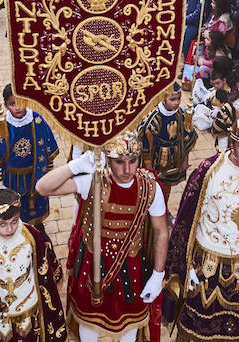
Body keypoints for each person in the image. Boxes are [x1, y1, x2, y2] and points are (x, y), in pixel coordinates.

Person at [36, 130, 168, 342]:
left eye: (133, 161)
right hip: (92, 265)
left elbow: (161, 231)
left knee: (129, 329)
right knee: (89, 327)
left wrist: (158, 275)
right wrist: (75, 166)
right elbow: (42, 188)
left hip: (131, 265)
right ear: (107, 159)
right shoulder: (94, 180)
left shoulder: (150, 187)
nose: (127, 169)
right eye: (119, 162)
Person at [164, 112, 239, 342]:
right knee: (197, 329)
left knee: (238, 329)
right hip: (208, 264)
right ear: (232, 143)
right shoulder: (207, 171)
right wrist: (185, 265)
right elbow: (186, 222)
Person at [0, 187, 68, 342]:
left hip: (31, 305)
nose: (10, 229)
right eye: (2, 224)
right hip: (2, 314)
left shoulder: (33, 236)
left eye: (14, 221)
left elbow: (46, 266)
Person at [0, 84, 58, 229]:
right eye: (12, 104)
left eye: (21, 102)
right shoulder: (2, 127)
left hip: (35, 175)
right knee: (14, 212)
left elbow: (49, 151)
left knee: (36, 209)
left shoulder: (37, 121)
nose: (17, 107)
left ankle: (38, 228)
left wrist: (49, 177)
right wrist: (0, 185)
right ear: (5, 105)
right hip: (12, 179)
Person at [138, 84, 197, 201]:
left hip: (173, 161)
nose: (177, 102)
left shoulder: (180, 114)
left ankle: (164, 207)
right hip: (156, 161)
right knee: (151, 189)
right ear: (163, 99)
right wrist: (148, 166)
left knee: (166, 188)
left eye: (179, 98)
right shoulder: (153, 119)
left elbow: (186, 138)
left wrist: (184, 160)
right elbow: (144, 142)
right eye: (172, 99)